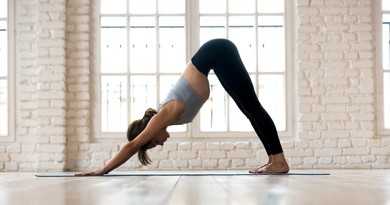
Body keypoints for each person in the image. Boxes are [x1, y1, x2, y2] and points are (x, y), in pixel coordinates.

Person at [77, 39, 289, 176]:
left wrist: (102, 169)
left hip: (217, 52)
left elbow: (132, 146)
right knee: (250, 110)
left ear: (149, 133)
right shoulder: (166, 117)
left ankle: (279, 161)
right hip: (216, 54)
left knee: (252, 108)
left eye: (154, 143)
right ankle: (273, 159)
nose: (160, 144)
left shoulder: (161, 117)